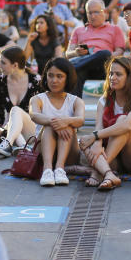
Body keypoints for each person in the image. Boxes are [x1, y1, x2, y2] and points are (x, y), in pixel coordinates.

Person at [76, 56, 131, 190]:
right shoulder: (104, 100)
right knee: (84, 141)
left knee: (122, 121)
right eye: (111, 73)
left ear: (129, 77)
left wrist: (95, 136)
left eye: (118, 74)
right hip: (115, 156)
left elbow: (128, 125)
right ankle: (108, 173)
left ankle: (97, 172)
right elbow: (98, 128)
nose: (113, 77)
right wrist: (97, 144)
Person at [30, 58, 84, 187]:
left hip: (68, 153)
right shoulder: (37, 99)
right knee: (49, 127)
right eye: (50, 75)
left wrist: (65, 121)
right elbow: (34, 115)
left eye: (59, 76)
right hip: (42, 151)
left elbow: (80, 120)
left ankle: (60, 169)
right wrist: (56, 123)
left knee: (69, 126)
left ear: (68, 78)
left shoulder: (76, 101)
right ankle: (47, 170)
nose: (54, 80)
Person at [66, 0, 126, 97]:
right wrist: (76, 53)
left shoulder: (115, 29)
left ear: (105, 12)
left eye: (96, 12)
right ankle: (75, 108)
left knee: (105, 53)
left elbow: (120, 51)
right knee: (78, 72)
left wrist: (106, 57)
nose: (92, 16)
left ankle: (71, 67)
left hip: (105, 66)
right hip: (84, 65)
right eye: (89, 13)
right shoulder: (78, 30)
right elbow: (68, 54)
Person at [0, 46, 41, 158]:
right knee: (9, 122)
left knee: (15, 110)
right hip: (12, 131)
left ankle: (10, 144)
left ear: (15, 65)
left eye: (3, 62)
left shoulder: (35, 80)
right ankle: (24, 147)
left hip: (33, 129)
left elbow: (42, 112)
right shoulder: (0, 81)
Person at [24, 13, 62, 77]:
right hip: (35, 71)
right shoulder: (33, 39)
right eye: (37, 23)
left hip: (50, 71)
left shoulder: (54, 40)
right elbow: (24, 58)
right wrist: (29, 41)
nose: (38, 25)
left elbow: (58, 59)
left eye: (41, 23)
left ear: (48, 26)